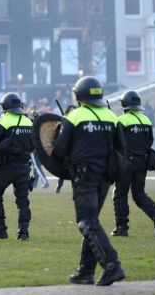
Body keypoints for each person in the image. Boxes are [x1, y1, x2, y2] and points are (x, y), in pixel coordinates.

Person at [53, 76, 126, 286]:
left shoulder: (74, 116)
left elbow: (59, 150)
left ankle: (112, 264)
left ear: (78, 95)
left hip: (84, 177)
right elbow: (121, 149)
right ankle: (85, 272)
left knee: (86, 222)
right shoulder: (112, 116)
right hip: (105, 178)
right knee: (92, 221)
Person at [111, 91, 155, 238]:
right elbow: (149, 142)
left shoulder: (121, 120)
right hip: (143, 162)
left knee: (119, 195)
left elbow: (115, 142)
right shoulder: (146, 120)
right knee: (139, 194)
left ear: (124, 104)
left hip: (126, 163)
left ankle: (122, 228)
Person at [0, 92, 33, 241]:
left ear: (4, 106)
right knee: (23, 200)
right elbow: (33, 146)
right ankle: (23, 233)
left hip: (5, 167)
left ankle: (0, 231)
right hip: (24, 166)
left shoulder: (2, 122)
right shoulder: (29, 122)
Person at [56, 104, 77, 194]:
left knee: (74, 170)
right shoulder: (64, 120)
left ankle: (74, 189)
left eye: (74, 110)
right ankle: (59, 186)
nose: (72, 111)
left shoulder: (78, 120)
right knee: (63, 169)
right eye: (70, 110)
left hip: (75, 148)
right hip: (66, 148)